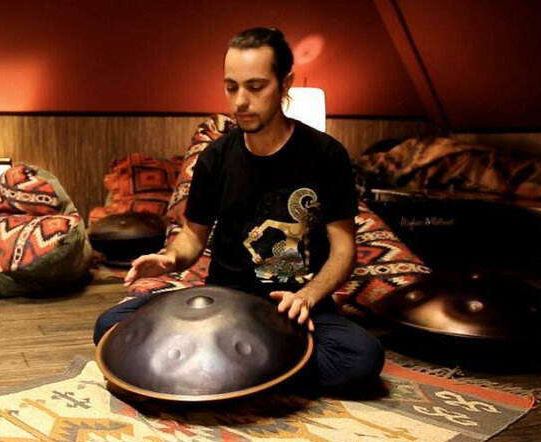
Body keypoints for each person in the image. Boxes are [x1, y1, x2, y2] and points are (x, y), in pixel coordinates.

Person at [94, 27, 384, 394]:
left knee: (361, 358)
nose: (240, 101)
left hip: (294, 308)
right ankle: (266, 372)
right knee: (110, 327)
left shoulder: (327, 155)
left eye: (256, 87)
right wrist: (169, 259)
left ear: (285, 84)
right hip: (225, 304)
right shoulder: (215, 158)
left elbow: (344, 251)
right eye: (231, 87)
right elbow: (192, 236)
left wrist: (308, 296)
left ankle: (226, 375)